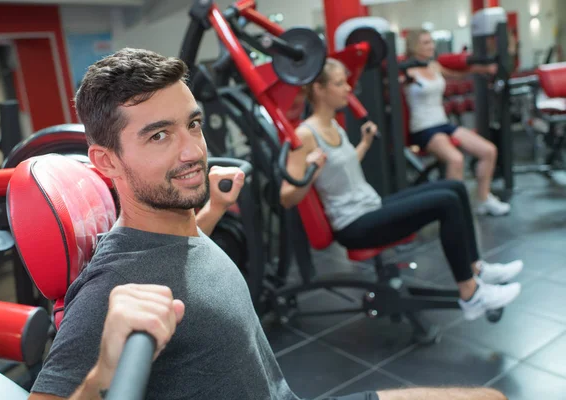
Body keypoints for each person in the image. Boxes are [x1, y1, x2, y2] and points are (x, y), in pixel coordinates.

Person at [29, 48, 509, 400]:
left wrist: (212, 210)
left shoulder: (173, 226)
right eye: (159, 136)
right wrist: (102, 376)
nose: (193, 150)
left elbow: (178, 256)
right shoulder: (109, 288)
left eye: (192, 124)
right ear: (106, 162)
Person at [280, 57, 523, 323]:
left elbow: (341, 168)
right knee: (446, 202)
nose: (348, 89)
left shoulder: (334, 124)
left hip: (369, 207)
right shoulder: (305, 135)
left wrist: (363, 143)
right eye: (339, 84)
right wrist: (310, 170)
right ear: (319, 89)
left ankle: (476, 269)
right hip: (354, 225)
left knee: (454, 187)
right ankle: (471, 295)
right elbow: (287, 197)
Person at [403, 29, 511, 216]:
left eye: (431, 42)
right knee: (456, 159)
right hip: (423, 128)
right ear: (414, 46)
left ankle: (483, 199)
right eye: (426, 43)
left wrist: (484, 69)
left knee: (488, 151)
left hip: (443, 123)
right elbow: (390, 84)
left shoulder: (434, 66)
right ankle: (455, 212)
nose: (431, 46)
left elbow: (457, 74)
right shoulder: (406, 72)